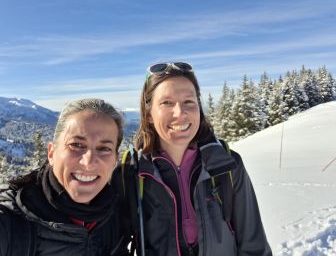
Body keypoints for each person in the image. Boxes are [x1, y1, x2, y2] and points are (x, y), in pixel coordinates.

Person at [122, 62, 272, 256]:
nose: (180, 113)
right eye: (166, 103)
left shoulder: (226, 164)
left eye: (189, 102)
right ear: (149, 113)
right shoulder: (132, 173)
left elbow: (254, 246)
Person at [0, 98, 132, 256]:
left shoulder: (116, 217)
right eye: (76, 145)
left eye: (104, 148)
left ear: (115, 160)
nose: (88, 162)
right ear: (51, 153)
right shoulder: (11, 222)